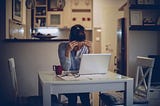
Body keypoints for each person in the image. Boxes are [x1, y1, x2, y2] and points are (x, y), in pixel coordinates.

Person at [58, 24, 92, 106]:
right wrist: (67, 51)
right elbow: (66, 68)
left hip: (82, 80)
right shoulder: (62, 46)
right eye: (76, 47)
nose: (78, 49)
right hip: (68, 81)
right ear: (71, 42)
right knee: (72, 97)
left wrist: (90, 50)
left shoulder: (85, 47)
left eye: (80, 46)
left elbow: (89, 68)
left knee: (85, 97)